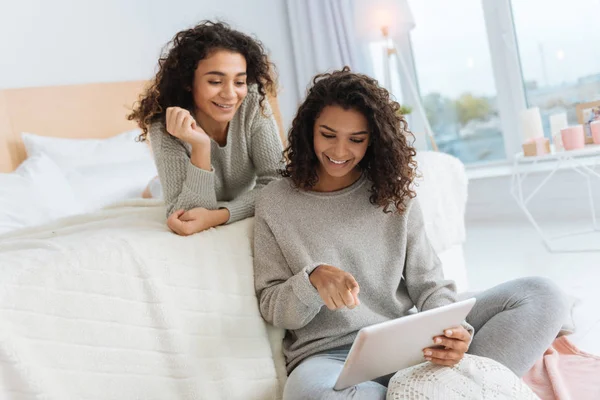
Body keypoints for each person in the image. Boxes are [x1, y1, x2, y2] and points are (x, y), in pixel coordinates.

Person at [253, 68, 568, 399]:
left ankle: (436, 388)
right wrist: (312, 280)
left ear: (373, 139)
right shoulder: (276, 201)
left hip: (408, 344)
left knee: (541, 295)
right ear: (308, 131)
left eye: (356, 139)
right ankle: (449, 391)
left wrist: (455, 332)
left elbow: (429, 286)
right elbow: (272, 307)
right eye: (328, 135)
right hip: (329, 359)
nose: (340, 151)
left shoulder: (392, 195)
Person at [129, 21, 283, 235]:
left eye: (239, 82)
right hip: (169, 189)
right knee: (156, 189)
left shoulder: (253, 102)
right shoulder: (165, 125)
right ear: (188, 82)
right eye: (215, 81)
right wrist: (200, 147)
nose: (230, 94)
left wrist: (221, 214)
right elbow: (187, 215)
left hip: (233, 193)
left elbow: (277, 183)